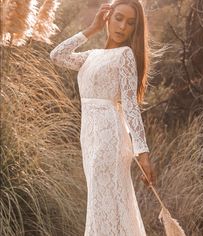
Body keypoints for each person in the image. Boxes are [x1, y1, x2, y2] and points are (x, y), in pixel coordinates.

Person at [50, 0, 156, 235]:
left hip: (110, 137)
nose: (122, 27)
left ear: (134, 29)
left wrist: (143, 153)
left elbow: (130, 105)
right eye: (118, 18)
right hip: (90, 136)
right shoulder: (91, 56)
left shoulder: (125, 55)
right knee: (104, 203)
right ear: (107, 16)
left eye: (130, 23)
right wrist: (92, 29)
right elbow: (57, 55)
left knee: (103, 203)